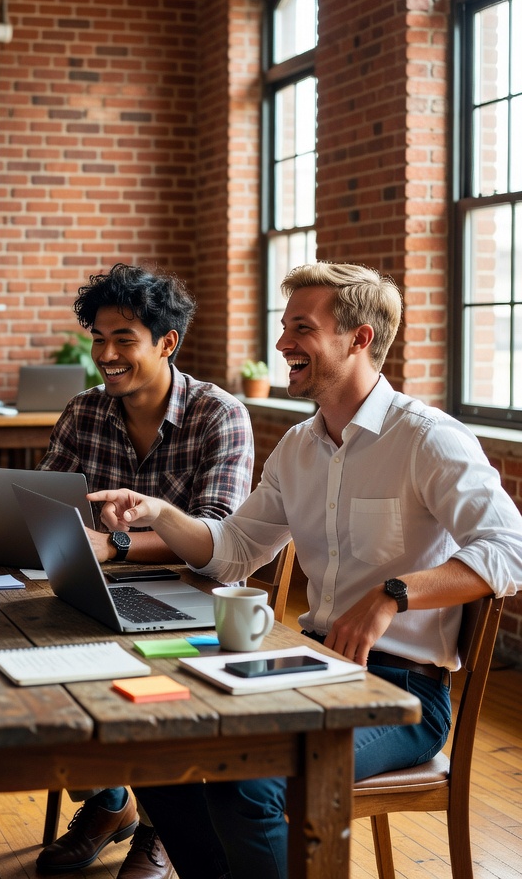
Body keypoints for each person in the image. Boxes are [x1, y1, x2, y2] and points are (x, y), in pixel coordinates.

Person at [93, 262, 522, 879]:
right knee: (163, 756)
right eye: (283, 326)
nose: (282, 344)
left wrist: (391, 596)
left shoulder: (429, 438)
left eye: (302, 328)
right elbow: (235, 549)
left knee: (249, 785)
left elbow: (509, 548)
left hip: (401, 692)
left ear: (359, 338)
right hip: (308, 665)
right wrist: (158, 513)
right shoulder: (298, 445)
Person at [35, 263, 255, 879]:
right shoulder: (84, 412)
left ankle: (161, 829)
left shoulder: (220, 415)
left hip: (195, 602)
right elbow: (47, 502)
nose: (106, 354)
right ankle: (110, 804)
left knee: (158, 699)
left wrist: (116, 546)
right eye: (98, 339)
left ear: (167, 343)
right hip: (93, 591)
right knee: (29, 671)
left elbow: (217, 533)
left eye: (123, 339)